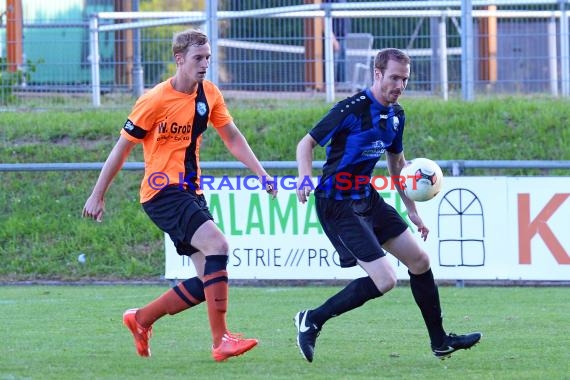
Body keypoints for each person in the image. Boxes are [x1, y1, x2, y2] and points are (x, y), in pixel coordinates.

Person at [82, 28, 277, 362]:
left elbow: (232, 136)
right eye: (198, 59)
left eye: (207, 58)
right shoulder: (155, 99)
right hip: (161, 191)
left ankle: (141, 319)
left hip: (191, 192)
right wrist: (97, 194)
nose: (204, 65)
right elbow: (121, 149)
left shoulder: (209, 94)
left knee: (208, 280)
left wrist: (261, 173)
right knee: (219, 246)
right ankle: (221, 341)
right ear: (179, 59)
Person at [294, 48, 481, 363]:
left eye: (405, 79)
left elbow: (398, 165)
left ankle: (440, 342)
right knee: (386, 280)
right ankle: (312, 318)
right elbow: (306, 143)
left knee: (420, 261)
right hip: (336, 203)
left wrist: (411, 208)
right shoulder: (350, 109)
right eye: (394, 77)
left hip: (366, 197)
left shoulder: (397, 115)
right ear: (377, 73)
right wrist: (303, 179)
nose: (399, 85)